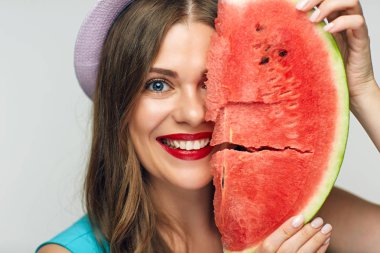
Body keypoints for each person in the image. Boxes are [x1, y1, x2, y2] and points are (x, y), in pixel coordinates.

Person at [36, 0, 380, 252]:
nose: (193, 113)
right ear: (120, 106)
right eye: (158, 84)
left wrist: (364, 90)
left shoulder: (292, 219)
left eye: (212, 81)